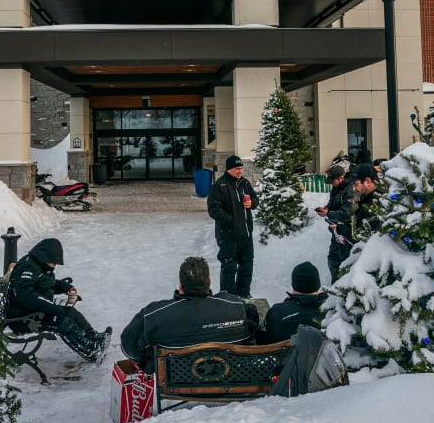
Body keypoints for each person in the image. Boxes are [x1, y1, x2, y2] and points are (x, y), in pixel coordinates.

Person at [120, 256, 258, 373]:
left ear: (181, 286)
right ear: (209, 282)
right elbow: (253, 327)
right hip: (231, 376)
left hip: (176, 381)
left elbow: (128, 343)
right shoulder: (235, 306)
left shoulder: (154, 315)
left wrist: (148, 364)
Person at [6, 237, 112, 363]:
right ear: (45, 256)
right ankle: (91, 352)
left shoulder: (39, 265)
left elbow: (45, 283)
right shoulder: (27, 268)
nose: (55, 264)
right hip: (24, 318)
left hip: (33, 312)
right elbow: (27, 296)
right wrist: (52, 307)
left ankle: (94, 338)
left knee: (70, 312)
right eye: (54, 261)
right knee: (62, 322)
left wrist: (66, 287)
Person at [207, 154, 259, 297]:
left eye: (241, 168)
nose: (240, 171)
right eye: (237, 168)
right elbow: (213, 209)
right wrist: (231, 220)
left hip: (246, 234)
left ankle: (244, 294)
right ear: (229, 169)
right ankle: (228, 297)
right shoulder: (220, 185)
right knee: (229, 268)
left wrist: (252, 203)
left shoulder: (245, 183)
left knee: (247, 266)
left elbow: (255, 199)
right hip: (228, 236)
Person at [323, 162, 380, 283]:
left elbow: (362, 235)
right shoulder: (365, 200)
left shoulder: (374, 204)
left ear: (368, 181)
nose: (354, 189)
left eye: (356, 184)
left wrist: (339, 229)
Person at [257, 261, 327, 344]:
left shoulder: (277, 312)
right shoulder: (331, 313)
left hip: (282, 356)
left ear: (293, 284)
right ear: (317, 284)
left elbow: (261, 340)